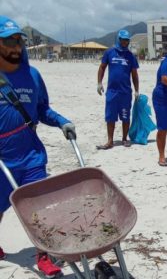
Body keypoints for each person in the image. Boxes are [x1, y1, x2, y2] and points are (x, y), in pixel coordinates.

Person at [0, 16, 76, 278]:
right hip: (1, 159)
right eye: (9, 41)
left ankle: (43, 256)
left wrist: (62, 122)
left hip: (31, 154)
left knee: (38, 207)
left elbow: (42, 109)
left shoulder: (32, 75)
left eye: (19, 40)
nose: (16, 47)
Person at [97, 29, 139, 149]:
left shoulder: (130, 56)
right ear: (119, 39)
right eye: (123, 40)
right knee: (110, 117)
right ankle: (110, 141)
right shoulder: (109, 52)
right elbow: (102, 67)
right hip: (112, 92)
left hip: (125, 92)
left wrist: (136, 90)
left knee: (125, 117)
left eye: (127, 40)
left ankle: (125, 139)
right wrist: (99, 83)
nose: (125, 42)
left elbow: (135, 74)